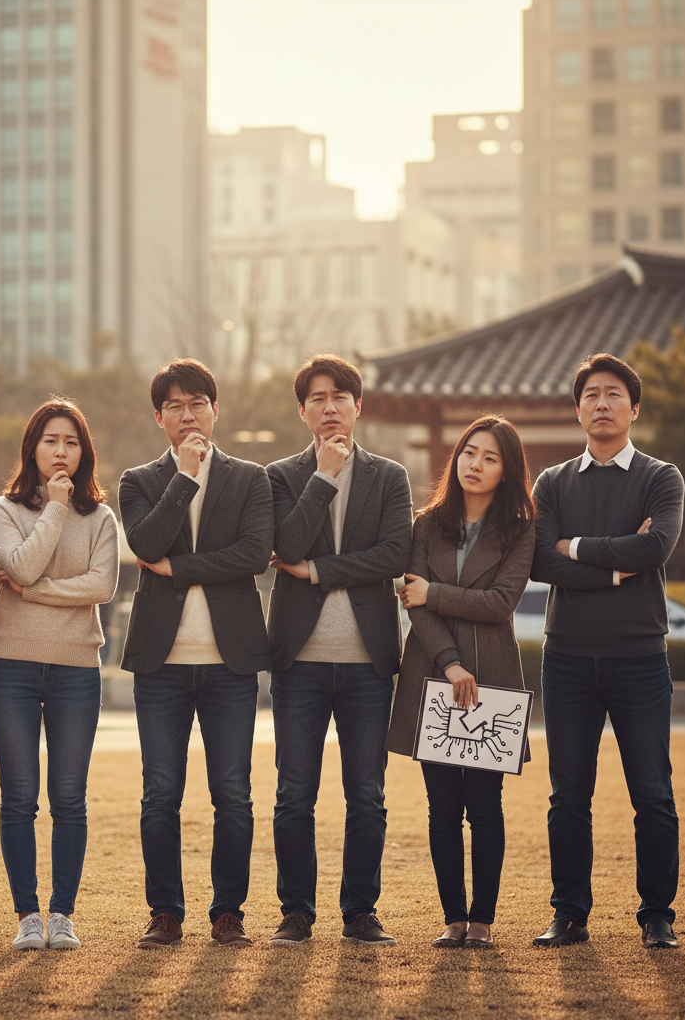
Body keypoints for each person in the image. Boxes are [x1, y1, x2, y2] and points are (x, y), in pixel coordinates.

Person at [530, 353, 683, 951]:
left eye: (613, 394)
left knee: (652, 791)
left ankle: (657, 915)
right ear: (577, 409)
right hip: (566, 656)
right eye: (590, 394)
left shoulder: (660, 476)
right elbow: (540, 561)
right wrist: (614, 568)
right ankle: (568, 913)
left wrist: (577, 547)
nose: (601, 403)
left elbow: (657, 549)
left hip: (640, 657)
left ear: (633, 407)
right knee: (569, 794)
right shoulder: (553, 482)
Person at [118, 358, 272, 949]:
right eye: (175, 407)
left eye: (198, 403)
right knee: (161, 791)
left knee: (233, 792)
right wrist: (183, 478)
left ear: (216, 409)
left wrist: (179, 569)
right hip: (161, 663)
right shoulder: (139, 481)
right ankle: (165, 913)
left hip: (231, 661)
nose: (188, 415)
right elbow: (145, 543)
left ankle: (228, 913)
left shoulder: (249, 478)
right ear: (159, 418)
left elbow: (254, 554)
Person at [265, 353, 412, 948]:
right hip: (298, 661)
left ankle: (360, 913)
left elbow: (394, 554)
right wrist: (323, 477)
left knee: (367, 796)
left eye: (340, 397)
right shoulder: (279, 476)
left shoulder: (390, 476)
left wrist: (318, 570)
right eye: (317, 399)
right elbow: (283, 546)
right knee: (294, 794)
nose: (330, 408)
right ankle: (296, 912)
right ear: (302, 410)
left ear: (358, 405)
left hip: (369, 660)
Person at [387, 415, 536, 950]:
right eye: (470, 452)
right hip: (432, 674)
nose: (476, 464)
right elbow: (412, 601)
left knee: (486, 806)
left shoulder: (520, 528)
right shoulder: (425, 523)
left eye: (491, 457)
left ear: (507, 470)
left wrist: (437, 593)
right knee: (443, 807)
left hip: (492, 680)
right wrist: (450, 661)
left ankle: (483, 921)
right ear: (457, 458)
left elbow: (501, 603)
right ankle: (453, 917)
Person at [0, 399, 119, 951]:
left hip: (76, 668)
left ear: (83, 451)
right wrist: (55, 510)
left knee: (69, 797)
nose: (61, 452)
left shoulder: (103, 517)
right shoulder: (2, 509)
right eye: (50, 442)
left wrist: (32, 592)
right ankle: (28, 916)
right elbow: (20, 563)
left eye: (71, 442)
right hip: (10, 664)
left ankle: (62, 913)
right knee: (18, 796)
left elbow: (101, 586)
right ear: (32, 449)